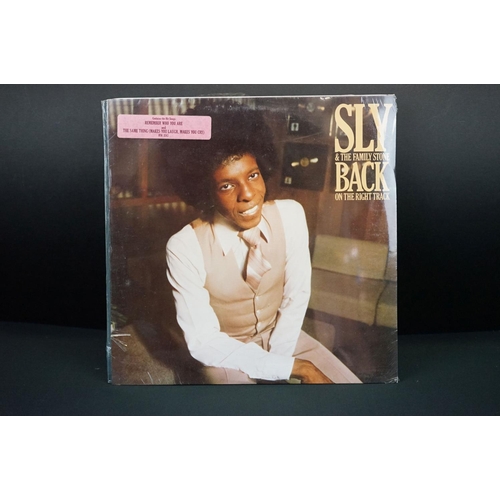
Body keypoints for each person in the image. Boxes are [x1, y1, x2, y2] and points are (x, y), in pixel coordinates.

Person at [165, 102, 361, 384]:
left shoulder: (291, 215)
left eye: (253, 175)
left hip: (284, 337)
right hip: (224, 352)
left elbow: (296, 296)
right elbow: (204, 341)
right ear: (206, 192)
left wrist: (280, 364)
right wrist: (294, 369)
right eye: (226, 185)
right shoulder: (184, 246)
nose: (248, 194)